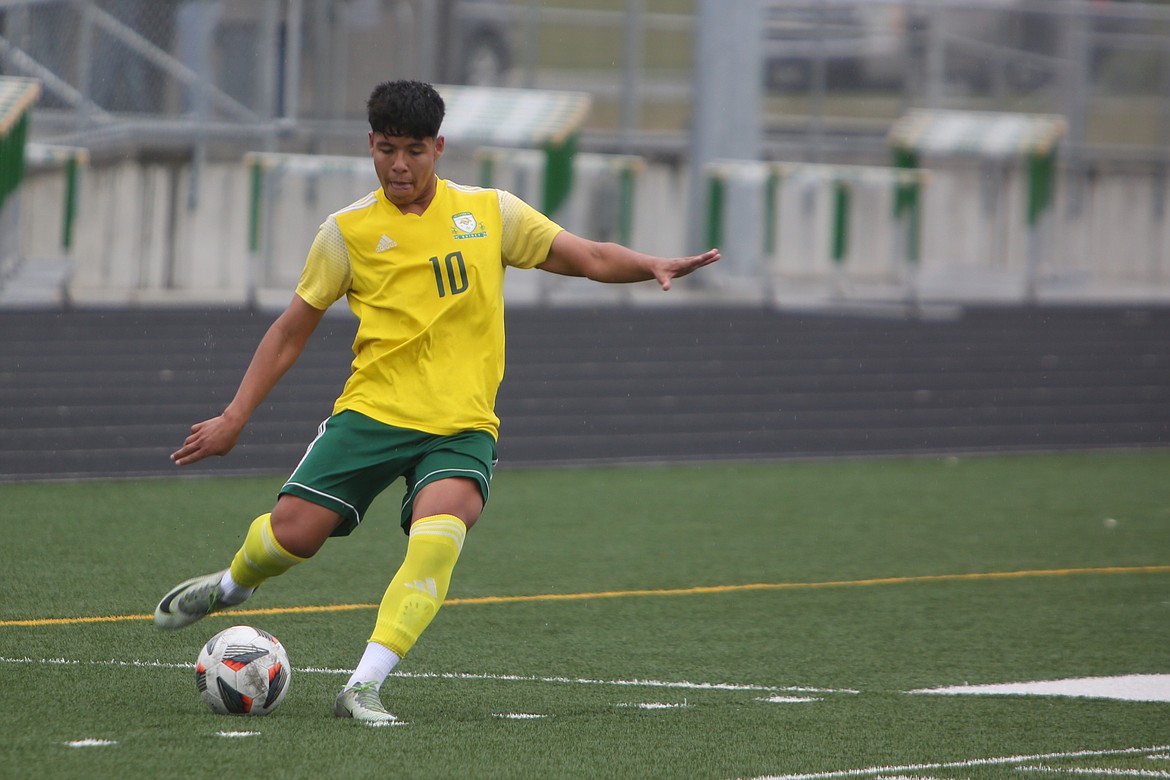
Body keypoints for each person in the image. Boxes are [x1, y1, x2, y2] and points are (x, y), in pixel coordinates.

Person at [153, 79, 719, 723]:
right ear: (370, 144)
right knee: (293, 536)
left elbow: (586, 256)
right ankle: (231, 586)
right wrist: (234, 417)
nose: (399, 164)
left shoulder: (490, 213)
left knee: (439, 537)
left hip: (462, 427)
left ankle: (362, 686)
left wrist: (652, 265)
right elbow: (289, 332)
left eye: (414, 150)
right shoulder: (344, 234)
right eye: (387, 149)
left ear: (439, 148)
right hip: (372, 415)